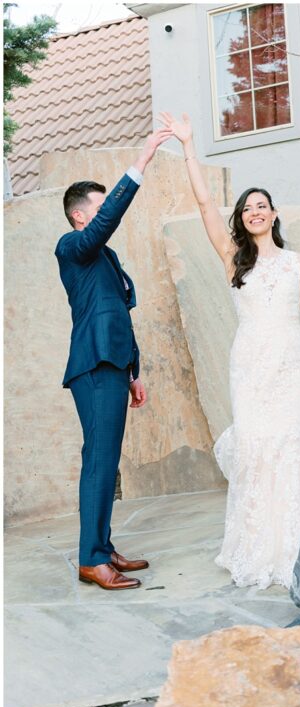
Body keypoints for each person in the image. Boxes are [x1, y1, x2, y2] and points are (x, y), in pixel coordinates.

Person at [159, 112, 300, 589]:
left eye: (262, 205)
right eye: (247, 208)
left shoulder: (299, 262)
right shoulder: (233, 258)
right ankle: (261, 543)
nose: (255, 211)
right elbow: (202, 202)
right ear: (241, 219)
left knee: (292, 442)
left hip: (292, 364)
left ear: (275, 214)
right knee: (257, 449)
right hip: (250, 366)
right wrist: (191, 146)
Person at [57, 128, 174, 590]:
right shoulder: (73, 247)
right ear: (79, 215)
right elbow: (109, 220)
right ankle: (91, 559)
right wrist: (142, 158)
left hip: (113, 366)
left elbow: (119, 315)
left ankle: (102, 548)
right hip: (92, 366)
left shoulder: (104, 256)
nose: (104, 213)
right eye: (99, 207)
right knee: (100, 462)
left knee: (106, 460)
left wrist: (132, 374)